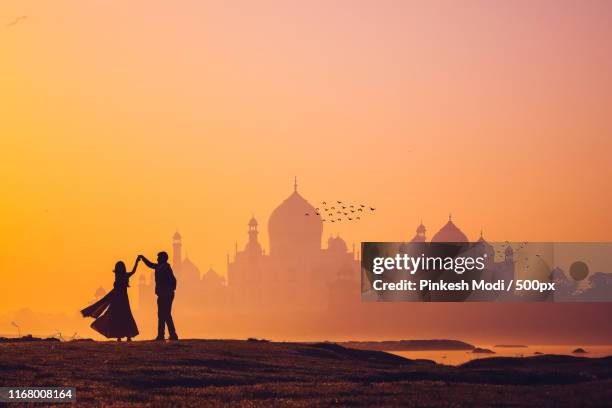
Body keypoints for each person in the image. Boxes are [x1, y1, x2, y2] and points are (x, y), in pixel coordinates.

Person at [81, 258, 140, 341]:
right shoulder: (125, 276)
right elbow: (133, 271)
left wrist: (137, 262)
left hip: (117, 300)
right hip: (123, 300)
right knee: (126, 317)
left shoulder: (118, 277)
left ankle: (119, 336)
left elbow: (132, 273)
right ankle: (128, 336)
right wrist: (137, 262)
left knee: (117, 317)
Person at [139, 252, 178, 341]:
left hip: (165, 294)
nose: (157, 259)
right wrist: (143, 258)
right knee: (165, 314)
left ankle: (163, 335)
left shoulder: (165, 268)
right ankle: (170, 334)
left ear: (163, 258)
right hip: (165, 294)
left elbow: (172, 281)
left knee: (163, 314)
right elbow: (151, 265)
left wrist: (167, 291)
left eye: (158, 257)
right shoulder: (161, 267)